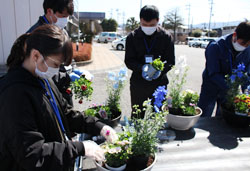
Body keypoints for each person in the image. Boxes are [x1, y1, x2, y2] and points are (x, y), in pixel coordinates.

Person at [0, 25, 118, 171]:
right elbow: (31, 154)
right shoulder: (14, 94)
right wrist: (79, 148)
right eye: (55, 64)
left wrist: (99, 126)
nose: (56, 70)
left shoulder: (42, 79)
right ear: (36, 56)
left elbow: (65, 114)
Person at [125, 5, 175, 118]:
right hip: (138, 83)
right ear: (140, 20)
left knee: (157, 116)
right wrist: (142, 68)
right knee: (137, 114)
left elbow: (171, 61)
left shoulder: (166, 37)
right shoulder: (132, 37)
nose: (148, 27)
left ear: (158, 20)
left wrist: (159, 70)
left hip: (159, 84)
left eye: (152, 25)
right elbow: (129, 60)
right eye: (144, 25)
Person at [198, 21, 250, 117]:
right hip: (211, 87)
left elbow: (246, 74)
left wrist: (246, 93)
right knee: (204, 116)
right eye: (243, 43)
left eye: (247, 45)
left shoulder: (248, 51)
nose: (244, 46)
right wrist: (231, 86)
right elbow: (213, 73)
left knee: (223, 118)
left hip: (228, 92)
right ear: (235, 35)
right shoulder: (216, 46)